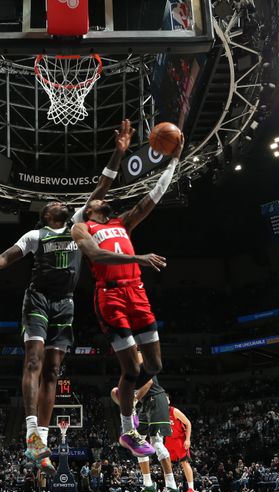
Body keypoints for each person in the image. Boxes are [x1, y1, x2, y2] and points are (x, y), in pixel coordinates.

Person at [0, 120, 163, 473]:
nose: (61, 202)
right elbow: (5, 259)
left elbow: (105, 182)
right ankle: (30, 434)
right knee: (35, 361)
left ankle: (42, 436)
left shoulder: (79, 224)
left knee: (53, 371)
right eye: (55, 202)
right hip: (38, 298)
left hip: (66, 303)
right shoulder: (35, 234)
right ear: (46, 214)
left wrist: (119, 150)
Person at [71, 135, 182, 457]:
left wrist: (174, 161)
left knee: (155, 365)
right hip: (111, 297)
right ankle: (127, 430)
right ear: (89, 209)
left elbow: (153, 197)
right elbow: (98, 256)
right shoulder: (81, 228)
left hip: (137, 294)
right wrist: (138, 259)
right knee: (132, 368)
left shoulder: (123, 221)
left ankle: (125, 392)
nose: (100, 200)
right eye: (94, 200)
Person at [121, 353, 181, 492]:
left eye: (138, 353)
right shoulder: (132, 369)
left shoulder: (144, 366)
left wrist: (133, 400)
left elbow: (147, 385)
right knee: (138, 443)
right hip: (145, 404)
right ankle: (148, 486)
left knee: (157, 443)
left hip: (156, 400)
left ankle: (172, 488)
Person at [164, 398, 197, 492]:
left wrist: (187, 439)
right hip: (168, 440)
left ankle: (191, 489)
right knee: (166, 464)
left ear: (169, 401)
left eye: (166, 399)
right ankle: (169, 488)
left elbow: (188, 423)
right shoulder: (159, 413)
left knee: (184, 463)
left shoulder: (174, 411)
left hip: (179, 439)